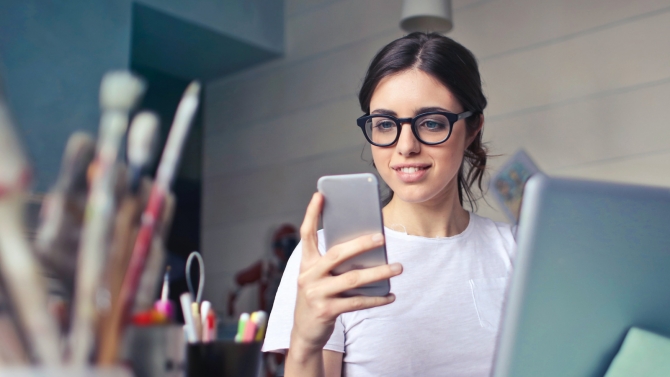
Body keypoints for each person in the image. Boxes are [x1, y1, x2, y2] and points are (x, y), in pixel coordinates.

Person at [262, 32, 516, 377]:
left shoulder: (518, 250)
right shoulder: (329, 257)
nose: (406, 146)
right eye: (385, 124)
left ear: (472, 128)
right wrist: (305, 342)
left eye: (430, 122)